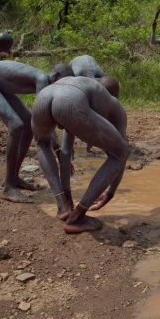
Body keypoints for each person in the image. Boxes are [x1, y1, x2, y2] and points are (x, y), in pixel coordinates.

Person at [31, 75, 130, 234]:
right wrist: (110, 193)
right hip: (71, 99)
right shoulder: (114, 105)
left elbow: (66, 152)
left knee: (42, 143)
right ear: (116, 95)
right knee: (122, 151)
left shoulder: (87, 89)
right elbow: (121, 154)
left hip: (44, 95)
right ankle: (76, 218)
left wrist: (67, 195)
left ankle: (63, 207)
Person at [0, 60, 74, 203]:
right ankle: (8, 187)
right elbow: (42, 118)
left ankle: (14, 177)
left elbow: (41, 122)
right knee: (16, 126)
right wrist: (58, 151)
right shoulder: (42, 79)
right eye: (63, 83)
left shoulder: (44, 79)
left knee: (27, 124)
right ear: (56, 76)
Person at [69, 55, 120, 152]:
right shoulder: (77, 74)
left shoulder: (100, 74)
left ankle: (89, 146)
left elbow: (108, 84)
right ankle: (70, 148)